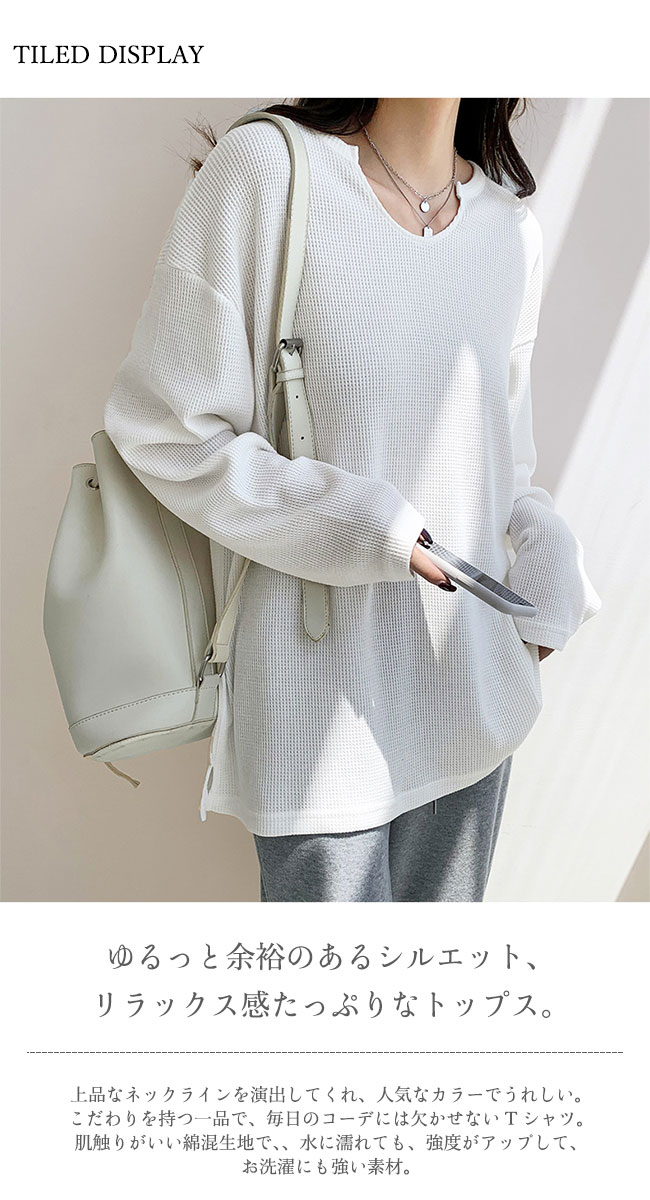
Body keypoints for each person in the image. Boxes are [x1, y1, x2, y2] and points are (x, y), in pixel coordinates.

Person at [103, 98, 601, 903]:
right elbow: (166, 429)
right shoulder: (268, 172)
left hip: (472, 701)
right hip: (315, 717)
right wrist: (364, 526)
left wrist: (548, 561)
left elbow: (501, 464)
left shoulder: (510, 232)